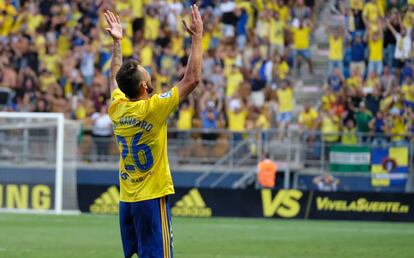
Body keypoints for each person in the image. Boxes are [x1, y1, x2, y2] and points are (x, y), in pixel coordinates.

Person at [104, 6, 203, 258]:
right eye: (144, 70)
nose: (146, 69)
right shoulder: (153, 108)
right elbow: (191, 79)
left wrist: (117, 43)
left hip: (127, 199)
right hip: (151, 198)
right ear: (144, 85)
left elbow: (113, 80)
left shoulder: (117, 108)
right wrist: (197, 37)